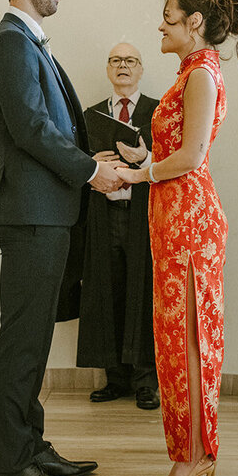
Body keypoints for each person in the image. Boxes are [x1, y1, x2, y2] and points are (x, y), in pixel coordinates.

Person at [0, 0, 125, 476]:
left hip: (46, 213)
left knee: (33, 338)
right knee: (21, 342)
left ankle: (31, 447)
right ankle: (12, 466)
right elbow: (32, 131)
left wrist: (93, 161)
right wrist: (91, 172)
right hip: (30, 215)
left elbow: (47, 131)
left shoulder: (25, 41)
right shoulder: (10, 43)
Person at [115, 0, 238, 476]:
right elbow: (179, 154)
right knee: (175, 342)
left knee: (191, 341)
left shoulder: (201, 74)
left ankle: (195, 457)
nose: (161, 25)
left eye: (169, 17)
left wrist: (138, 175)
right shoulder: (191, 74)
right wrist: (145, 162)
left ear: (194, 23)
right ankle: (189, 454)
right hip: (175, 218)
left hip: (190, 221)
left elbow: (193, 158)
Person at [77, 43, 160, 411]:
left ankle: (146, 381)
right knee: (106, 289)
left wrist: (145, 157)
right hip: (103, 214)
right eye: (115, 60)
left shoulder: (157, 112)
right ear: (108, 69)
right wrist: (90, 162)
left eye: (130, 61)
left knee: (144, 290)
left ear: (141, 69)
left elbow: (177, 161)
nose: (123, 66)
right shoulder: (90, 115)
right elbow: (75, 161)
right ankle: (115, 379)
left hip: (144, 215)